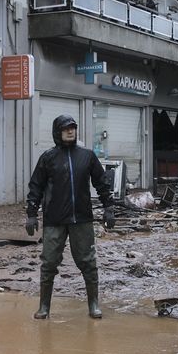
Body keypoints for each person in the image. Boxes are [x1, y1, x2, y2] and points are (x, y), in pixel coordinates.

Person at [25, 114, 115, 320]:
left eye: (73, 127)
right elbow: (35, 187)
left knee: (88, 262)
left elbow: (101, 183)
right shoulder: (47, 158)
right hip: (54, 220)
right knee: (48, 263)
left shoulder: (87, 156)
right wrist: (31, 214)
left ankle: (93, 304)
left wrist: (109, 207)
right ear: (57, 131)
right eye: (66, 128)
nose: (70, 131)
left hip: (81, 219)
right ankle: (44, 307)